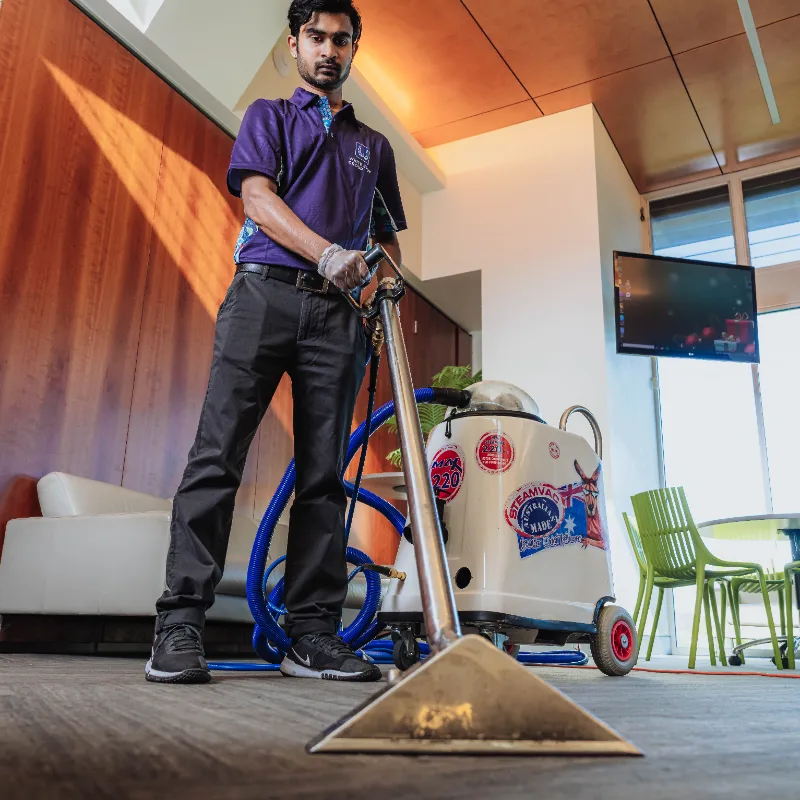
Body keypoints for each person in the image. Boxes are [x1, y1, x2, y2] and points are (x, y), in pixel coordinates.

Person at [145, 0, 405, 684]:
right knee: (217, 456)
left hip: (337, 318)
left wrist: (382, 285)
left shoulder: (373, 148)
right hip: (263, 296)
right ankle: (179, 624)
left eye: (341, 40)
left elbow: (385, 241)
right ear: (294, 43)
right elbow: (257, 199)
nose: (329, 49)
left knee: (323, 478)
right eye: (316, 36)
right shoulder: (270, 117)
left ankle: (312, 635)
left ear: (354, 49)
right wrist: (325, 254)